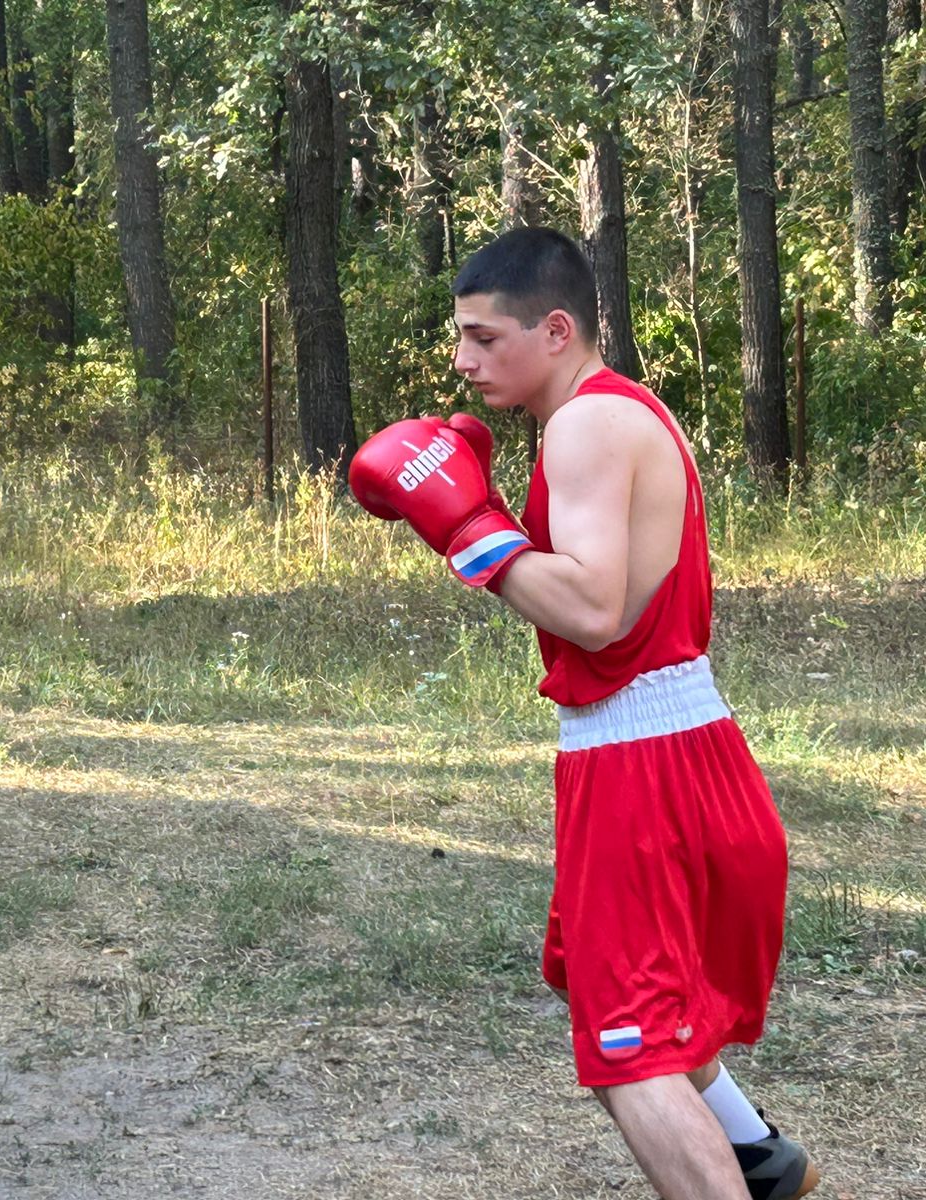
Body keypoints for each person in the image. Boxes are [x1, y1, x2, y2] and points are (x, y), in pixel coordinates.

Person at [347, 227, 817, 1200]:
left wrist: (472, 531)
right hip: (678, 753)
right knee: (598, 984)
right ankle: (755, 1156)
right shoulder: (625, 414)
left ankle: (744, 1171)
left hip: (643, 772)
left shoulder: (586, 427)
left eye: (483, 338)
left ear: (554, 330)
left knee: (629, 1053)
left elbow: (597, 614)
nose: (461, 360)